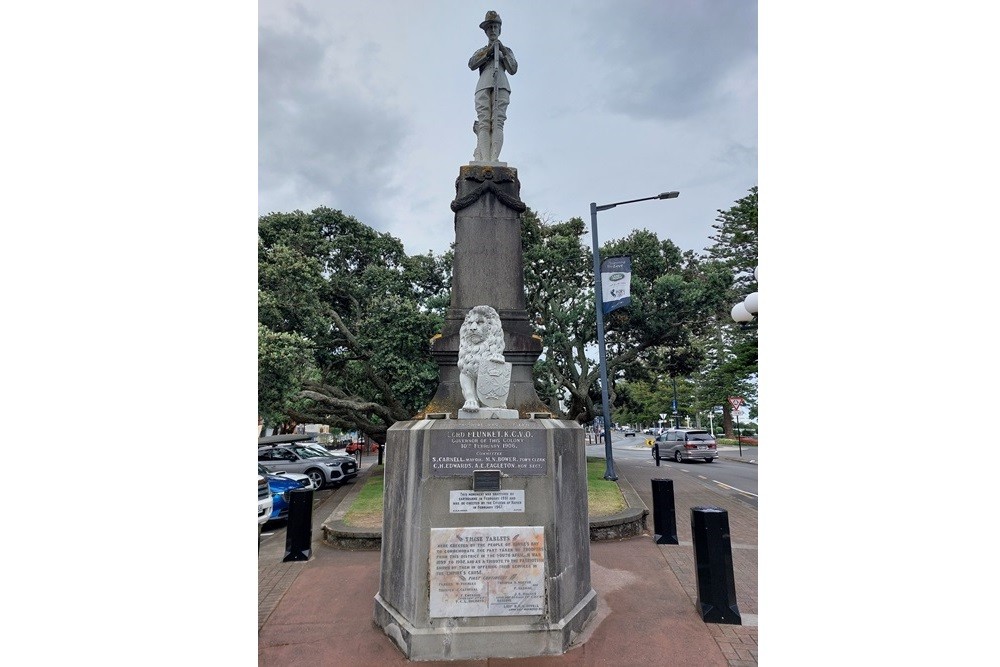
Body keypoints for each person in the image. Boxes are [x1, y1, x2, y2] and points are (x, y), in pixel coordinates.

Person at [469, 11, 517, 163]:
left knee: (497, 121)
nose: (493, 30)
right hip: (484, 85)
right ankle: (484, 159)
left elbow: (513, 69)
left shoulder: (507, 51)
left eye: (495, 27)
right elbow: (472, 63)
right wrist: (489, 51)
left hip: (501, 84)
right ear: (486, 31)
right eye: (489, 27)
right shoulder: (481, 51)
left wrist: (501, 50)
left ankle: (494, 158)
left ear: (499, 29)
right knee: (484, 122)